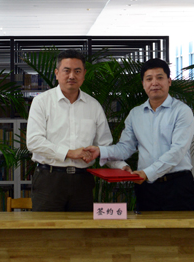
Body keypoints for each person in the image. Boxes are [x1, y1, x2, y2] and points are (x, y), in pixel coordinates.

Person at [83, 58, 194, 262]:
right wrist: (100, 151)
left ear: (169, 81)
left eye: (160, 77)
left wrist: (147, 173)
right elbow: (126, 147)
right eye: (149, 78)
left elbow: (177, 152)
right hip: (147, 189)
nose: (154, 83)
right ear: (143, 84)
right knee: (150, 247)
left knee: (182, 247)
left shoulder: (182, 111)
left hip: (178, 185)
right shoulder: (135, 114)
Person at [26, 49, 127, 213]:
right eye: (66, 70)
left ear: (84, 74)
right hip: (49, 179)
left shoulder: (93, 105)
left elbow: (104, 145)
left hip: (83, 180)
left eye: (77, 71)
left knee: (82, 228)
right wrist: (70, 153)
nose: (72, 76)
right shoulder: (41, 102)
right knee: (46, 228)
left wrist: (121, 166)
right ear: (57, 73)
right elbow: (34, 142)